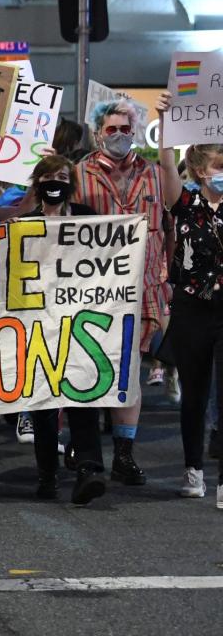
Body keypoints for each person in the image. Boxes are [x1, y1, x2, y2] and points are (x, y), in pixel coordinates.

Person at [74, 99, 166, 486]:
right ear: (98, 133)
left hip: (143, 282)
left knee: (130, 370)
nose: (119, 136)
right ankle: (87, 451)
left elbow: (171, 218)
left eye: (126, 129)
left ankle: (124, 455)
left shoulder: (154, 173)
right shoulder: (79, 173)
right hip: (93, 286)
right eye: (111, 129)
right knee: (92, 366)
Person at [17, 154, 108, 505]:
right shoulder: (25, 222)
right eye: (48, 176)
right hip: (39, 325)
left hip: (80, 321)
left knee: (83, 392)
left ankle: (89, 467)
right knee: (42, 400)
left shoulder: (88, 219)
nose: (55, 182)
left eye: (62, 176)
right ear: (37, 182)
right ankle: (47, 472)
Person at [155, 92, 223, 509]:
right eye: (219, 167)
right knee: (195, 393)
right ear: (200, 169)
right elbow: (165, 165)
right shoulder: (187, 203)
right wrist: (166, 125)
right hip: (192, 307)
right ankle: (193, 469)